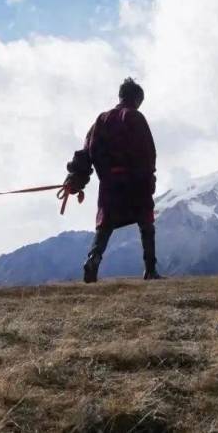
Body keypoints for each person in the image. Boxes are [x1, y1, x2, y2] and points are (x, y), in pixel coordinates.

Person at [63, 77, 163, 282]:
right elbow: (148, 153)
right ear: (137, 99)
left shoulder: (100, 121)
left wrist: (75, 178)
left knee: (105, 226)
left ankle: (93, 259)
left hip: (109, 183)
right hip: (136, 181)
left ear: (120, 96)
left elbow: (85, 153)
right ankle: (150, 270)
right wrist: (149, 180)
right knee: (146, 224)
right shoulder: (135, 118)